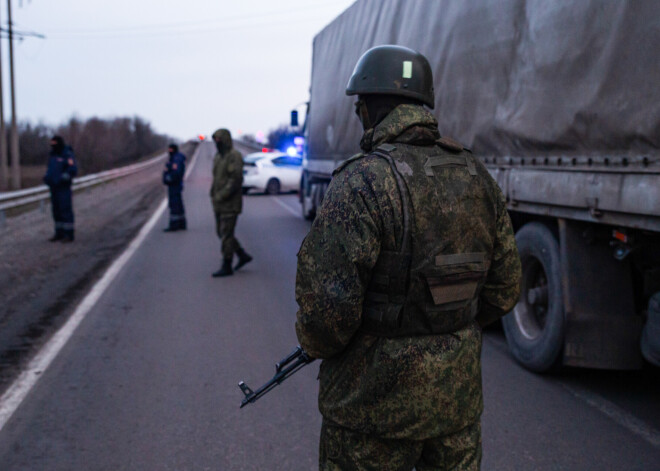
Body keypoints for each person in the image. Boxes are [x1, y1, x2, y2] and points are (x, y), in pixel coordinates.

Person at [295, 45, 522, 470]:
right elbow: (505, 289)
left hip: (371, 413)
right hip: (455, 406)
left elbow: (327, 318)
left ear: (367, 109)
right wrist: (445, 329)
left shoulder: (361, 182)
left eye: (358, 107)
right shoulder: (477, 176)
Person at [209, 128, 252, 277]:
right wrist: (213, 194)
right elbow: (216, 178)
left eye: (219, 140)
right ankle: (242, 254)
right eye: (216, 140)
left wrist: (222, 195)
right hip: (218, 202)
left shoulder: (234, 156)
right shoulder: (218, 157)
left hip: (230, 203)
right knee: (221, 233)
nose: (217, 142)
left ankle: (227, 264)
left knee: (226, 234)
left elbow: (235, 180)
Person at [43, 135, 78, 242]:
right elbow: (50, 169)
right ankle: (59, 233)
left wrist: (65, 177)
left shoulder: (67, 154)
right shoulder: (52, 155)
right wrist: (47, 178)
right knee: (56, 210)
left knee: (65, 210)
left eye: (55, 144)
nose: (53, 146)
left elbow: (72, 169)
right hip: (54, 187)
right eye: (52, 144)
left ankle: (68, 234)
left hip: (63, 187)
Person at [163, 143, 187, 231]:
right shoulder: (174, 158)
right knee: (178, 204)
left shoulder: (176, 159)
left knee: (174, 204)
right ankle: (181, 223)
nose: (169, 151)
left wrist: (169, 178)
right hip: (175, 185)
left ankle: (174, 225)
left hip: (175, 185)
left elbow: (176, 172)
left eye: (170, 149)